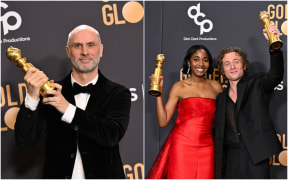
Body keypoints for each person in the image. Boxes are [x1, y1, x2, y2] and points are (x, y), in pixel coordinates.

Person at [14, 24, 131, 179]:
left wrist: (67, 108)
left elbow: (111, 135)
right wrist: (32, 96)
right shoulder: (50, 92)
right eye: (77, 46)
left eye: (91, 45)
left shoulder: (118, 93)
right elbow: (25, 142)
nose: (85, 52)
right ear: (68, 52)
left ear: (101, 50)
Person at [214, 23, 283, 179]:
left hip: (255, 155)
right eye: (227, 63)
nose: (232, 66)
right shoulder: (220, 97)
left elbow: (275, 75)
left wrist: (274, 47)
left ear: (244, 65)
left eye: (236, 61)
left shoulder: (257, 83)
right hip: (229, 157)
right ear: (223, 71)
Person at [147, 45, 222, 179]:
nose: (200, 64)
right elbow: (163, 121)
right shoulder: (179, 87)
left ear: (209, 63)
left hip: (207, 146)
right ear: (189, 62)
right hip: (182, 145)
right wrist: (159, 93)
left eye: (205, 60)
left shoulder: (216, 87)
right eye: (196, 59)